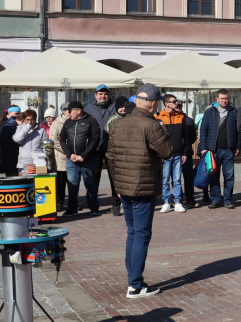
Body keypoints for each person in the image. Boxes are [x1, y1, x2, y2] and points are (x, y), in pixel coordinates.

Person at [106, 83, 172, 299]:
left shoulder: (117, 124)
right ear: (153, 104)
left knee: (133, 233)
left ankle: (133, 279)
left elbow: (111, 157)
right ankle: (135, 284)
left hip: (124, 186)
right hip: (143, 187)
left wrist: (116, 185)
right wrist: (163, 128)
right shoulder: (151, 125)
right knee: (141, 235)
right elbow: (167, 151)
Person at [198, 89, 239, 209]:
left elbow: (238, 131)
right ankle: (215, 199)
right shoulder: (210, 112)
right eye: (222, 98)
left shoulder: (234, 112)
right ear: (217, 99)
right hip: (213, 150)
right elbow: (203, 130)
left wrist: (237, 146)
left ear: (229, 98)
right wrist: (204, 147)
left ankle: (228, 200)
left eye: (226, 98)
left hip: (228, 149)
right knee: (214, 176)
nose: (224, 101)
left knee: (229, 176)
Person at [59, 100, 102, 216]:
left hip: (87, 160)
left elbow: (95, 140)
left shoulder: (91, 121)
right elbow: (62, 139)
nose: (68, 113)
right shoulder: (67, 122)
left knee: (90, 184)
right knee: (72, 184)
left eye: (70, 111)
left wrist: (84, 155)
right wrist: (70, 154)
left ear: (79, 111)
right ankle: (72, 208)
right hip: (72, 160)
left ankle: (94, 208)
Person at [155, 94, 195, 213]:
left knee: (177, 180)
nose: (176, 103)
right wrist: (159, 154)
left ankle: (177, 201)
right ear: (166, 103)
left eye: (176, 101)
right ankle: (166, 202)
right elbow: (156, 138)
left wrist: (185, 153)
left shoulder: (181, 117)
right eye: (174, 101)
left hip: (178, 153)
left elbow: (186, 136)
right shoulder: (158, 117)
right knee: (165, 179)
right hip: (165, 155)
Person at [85, 84, 118, 214]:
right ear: (95, 95)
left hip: (112, 147)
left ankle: (116, 202)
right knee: (94, 177)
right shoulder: (89, 108)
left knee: (114, 176)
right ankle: (93, 203)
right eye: (100, 94)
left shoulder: (114, 107)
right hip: (95, 148)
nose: (103, 96)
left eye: (105, 94)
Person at [48, 102, 70, 209]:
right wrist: (68, 152)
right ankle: (60, 202)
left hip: (72, 158)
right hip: (61, 158)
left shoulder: (73, 121)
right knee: (60, 183)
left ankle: (71, 202)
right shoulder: (56, 123)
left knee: (71, 182)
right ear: (64, 112)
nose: (71, 112)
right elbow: (53, 141)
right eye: (68, 111)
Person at [12, 109, 45, 174]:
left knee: (38, 183)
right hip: (24, 162)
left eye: (32, 119)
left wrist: (44, 160)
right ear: (24, 120)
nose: (30, 122)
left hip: (38, 162)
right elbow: (17, 139)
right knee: (25, 182)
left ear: (35, 119)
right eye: (27, 119)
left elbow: (44, 146)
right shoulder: (20, 128)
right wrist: (26, 128)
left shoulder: (41, 130)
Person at [0, 106, 21, 177]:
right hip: (9, 155)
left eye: (19, 114)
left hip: (15, 154)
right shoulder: (6, 124)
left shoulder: (17, 123)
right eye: (16, 114)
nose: (17, 116)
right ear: (9, 114)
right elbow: (2, 140)